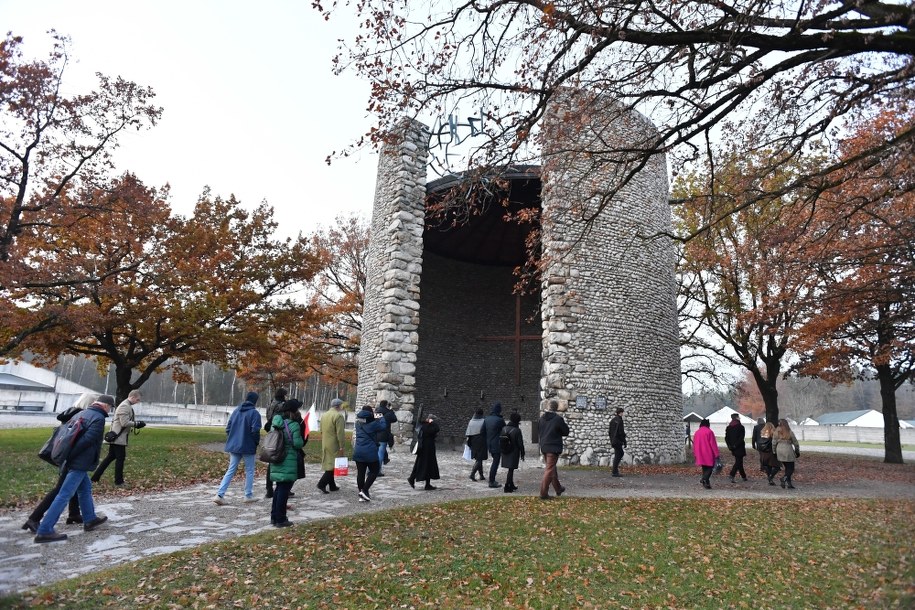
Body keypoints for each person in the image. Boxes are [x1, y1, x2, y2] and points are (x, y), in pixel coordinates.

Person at [33, 395, 114, 543]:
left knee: (85, 489)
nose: (110, 410)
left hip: (73, 460)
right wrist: (70, 455)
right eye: (110, 407)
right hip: (79, 462)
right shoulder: (98, 418)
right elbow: (88, 440)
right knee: (64, 494)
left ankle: (90, 519)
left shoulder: (81, 413)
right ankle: (45, 530)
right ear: (106, 406)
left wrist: (67, 455)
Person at [22, 403, 88, 533]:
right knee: (60, 489)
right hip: (69, 458)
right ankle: (34, 518)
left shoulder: (69, 415)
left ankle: (74, 513)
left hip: (65, 456)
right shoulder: (78, 416)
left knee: (75, 484)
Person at [214, 391, 262, 505]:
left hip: (234, 445)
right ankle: (248, 495)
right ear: (255, 401)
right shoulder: (254, 413)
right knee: (249, 470)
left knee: (231, 470)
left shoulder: (236, 411)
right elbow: (255, 431)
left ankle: (220, 494)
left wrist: (233, 439)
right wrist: (256, 443)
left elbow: (228, 428)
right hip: (248, 446)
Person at [91, 390, 146, 486]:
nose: (138, 402)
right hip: (118, 437)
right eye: (137, 400)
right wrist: (137, 424)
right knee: (120, 459)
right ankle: (118, 481)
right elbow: (124, 423)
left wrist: (136, 423)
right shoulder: (125, 406)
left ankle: (95, 478)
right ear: (132, 397)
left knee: (110, 458)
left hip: (118, 436)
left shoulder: (127, 405)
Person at [267, 399, 305, 527]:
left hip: (276, 457)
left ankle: (274, 517)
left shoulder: (276, 423)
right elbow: (297, 444)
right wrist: (303, 438)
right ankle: (281, 519)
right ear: (293, 411)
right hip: (288, 460)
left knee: (279, 489)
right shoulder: (294, 425)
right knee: (284, 490)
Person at [353, 405, 386, 501]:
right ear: (370, 413)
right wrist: (381, 417)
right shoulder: (374, 424)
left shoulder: (357, 423)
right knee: (375, 470)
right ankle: (364, 490)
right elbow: (383, 427)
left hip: (358, 451)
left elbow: (367, 423)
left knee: (361, 473)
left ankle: (361, 493)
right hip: (370, 452)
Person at [538, 399, 570, 499]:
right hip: (553, 447)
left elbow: (539, 431)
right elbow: (566, 431)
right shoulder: (558, 419)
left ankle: (558, 488)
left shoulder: (541, 419)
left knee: (551, 468)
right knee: (549, 470)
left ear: (548, 407)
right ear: (556, 408)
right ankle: (543, 493)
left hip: (544, 446)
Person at [317, 398, 346, 493]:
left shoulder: (324, 415)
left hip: (325, 442)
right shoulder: (338, 416)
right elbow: (340, 433)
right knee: (333, 465)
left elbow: (321, 430)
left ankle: (332, 486)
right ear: (339, 406)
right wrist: (341, 446)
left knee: (330, 463)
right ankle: (321, 484)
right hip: (334, 443)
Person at [264, 388, 288, 499]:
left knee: (271, 461)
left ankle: (269, 488)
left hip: (271, 431)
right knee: (280, 461)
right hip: (280, 433)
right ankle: (282, 488)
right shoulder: (281, 405)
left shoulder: (270, 404)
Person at [408, 414, 441, 490]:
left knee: (426, 465)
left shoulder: (425, 425)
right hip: (426, 448)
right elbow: (436, 429)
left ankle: (427, 484)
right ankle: (412, 478)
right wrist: (432, 422)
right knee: (422, 464)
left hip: (428, 448)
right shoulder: (425, 426)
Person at [500, 412, 525, 493]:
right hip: (513, 452)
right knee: (511, 469)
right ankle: (507, 486)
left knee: (510, 469)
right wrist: (522, 453)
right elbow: (520, 444)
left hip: (505, 450)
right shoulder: (517, 430)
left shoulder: (504, 428)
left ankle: (511, 484)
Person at [483, 402, 506, 488]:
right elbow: (505, 430)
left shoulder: (486, 419)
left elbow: (483, 431)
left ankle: (492, 480)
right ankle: (492, 481)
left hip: (489, 443)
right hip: (497, 444)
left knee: (494, 461)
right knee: (495, 462)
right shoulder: (500, 420)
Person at [773, 419, 800, 489]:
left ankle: (789, 483)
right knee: (791, 468)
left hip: (779, 450)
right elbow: (796, 443)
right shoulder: (789, 432)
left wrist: (774, 451)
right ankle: (784, 478)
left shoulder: (776, 432)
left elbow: (773, 443)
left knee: (787, 468)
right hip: (788, 450)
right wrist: (797, 451)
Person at [693, 418, 719, 489]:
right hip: (708, 452)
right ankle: (704, 478)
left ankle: (706, 483)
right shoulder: (709, 432)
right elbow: (713, 444)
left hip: (699, 452)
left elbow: (694, 444)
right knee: (710, 467)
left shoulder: (697, 432)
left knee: (704, 467)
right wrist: (716, 454)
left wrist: (695, 453)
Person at [374, 400, 397, 476]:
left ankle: (371, 470)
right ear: (387, 405)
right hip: (383, 435)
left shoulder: (377, 411)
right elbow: (394, 419)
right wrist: (391, 410)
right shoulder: (388, 412)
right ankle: (377, 471)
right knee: (380, 454)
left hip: (375, 434)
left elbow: (375, 421)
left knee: (374, 453)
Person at [464, 408, 487, 482]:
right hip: (481, 440)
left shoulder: (471, 421)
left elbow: (468, 433)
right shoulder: (484, 421)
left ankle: (481, 475)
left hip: (473, 440)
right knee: (479, 458)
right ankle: (472, 474)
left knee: (478, 458)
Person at [725, 413, 747, 483]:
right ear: (736, 418)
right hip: (739, 447)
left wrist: (729, 445)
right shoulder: (741, 427)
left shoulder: (729, 427)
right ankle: (732, 474)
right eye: (738, 417)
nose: (739, 418)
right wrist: (735, 445)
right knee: (738, 462)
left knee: (739, 461)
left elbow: (726, 438)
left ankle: (743, 476)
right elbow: (741, 438)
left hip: (732, 447)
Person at [608, 407, 627, 477]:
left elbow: (610, 432)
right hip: (618, 440)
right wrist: (624, 441)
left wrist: (612, 439)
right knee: (620, 454)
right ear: (620, 413)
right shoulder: (619, 420)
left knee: (618, 454)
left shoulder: (612, 420)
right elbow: (621, 432)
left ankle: (615, 471)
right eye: (622, 412)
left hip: (613, 440)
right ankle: (614, 471)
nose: (623, 414)